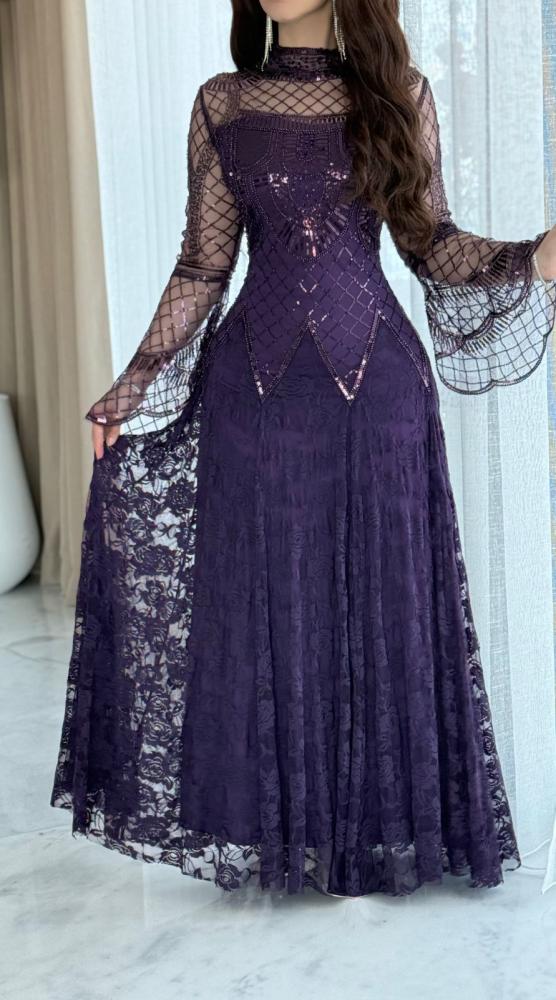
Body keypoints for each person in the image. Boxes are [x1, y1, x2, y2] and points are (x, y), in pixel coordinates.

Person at [50, 0, 556, 899]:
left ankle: (381, 831)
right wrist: (132, 384)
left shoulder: (400, 93)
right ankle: (278, 829)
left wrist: (533, 256)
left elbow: (431, 245)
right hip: (254, 403)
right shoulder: (223, 103)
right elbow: (202, 267)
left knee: (386, 607)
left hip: (381, 400)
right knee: (265, 604)